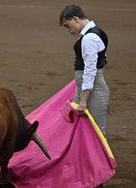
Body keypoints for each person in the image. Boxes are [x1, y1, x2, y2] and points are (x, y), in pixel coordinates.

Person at [59, 5, 110, 188]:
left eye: (67, 25)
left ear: (76, 19)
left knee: (96, 136)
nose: (68, 29)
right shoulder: (95, 34)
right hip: (93, 90)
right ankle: (90, 175)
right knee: (88, 134)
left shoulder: (89, 38)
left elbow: (90, 71)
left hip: (92, 92)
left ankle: (98, 180)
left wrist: (83, 100)